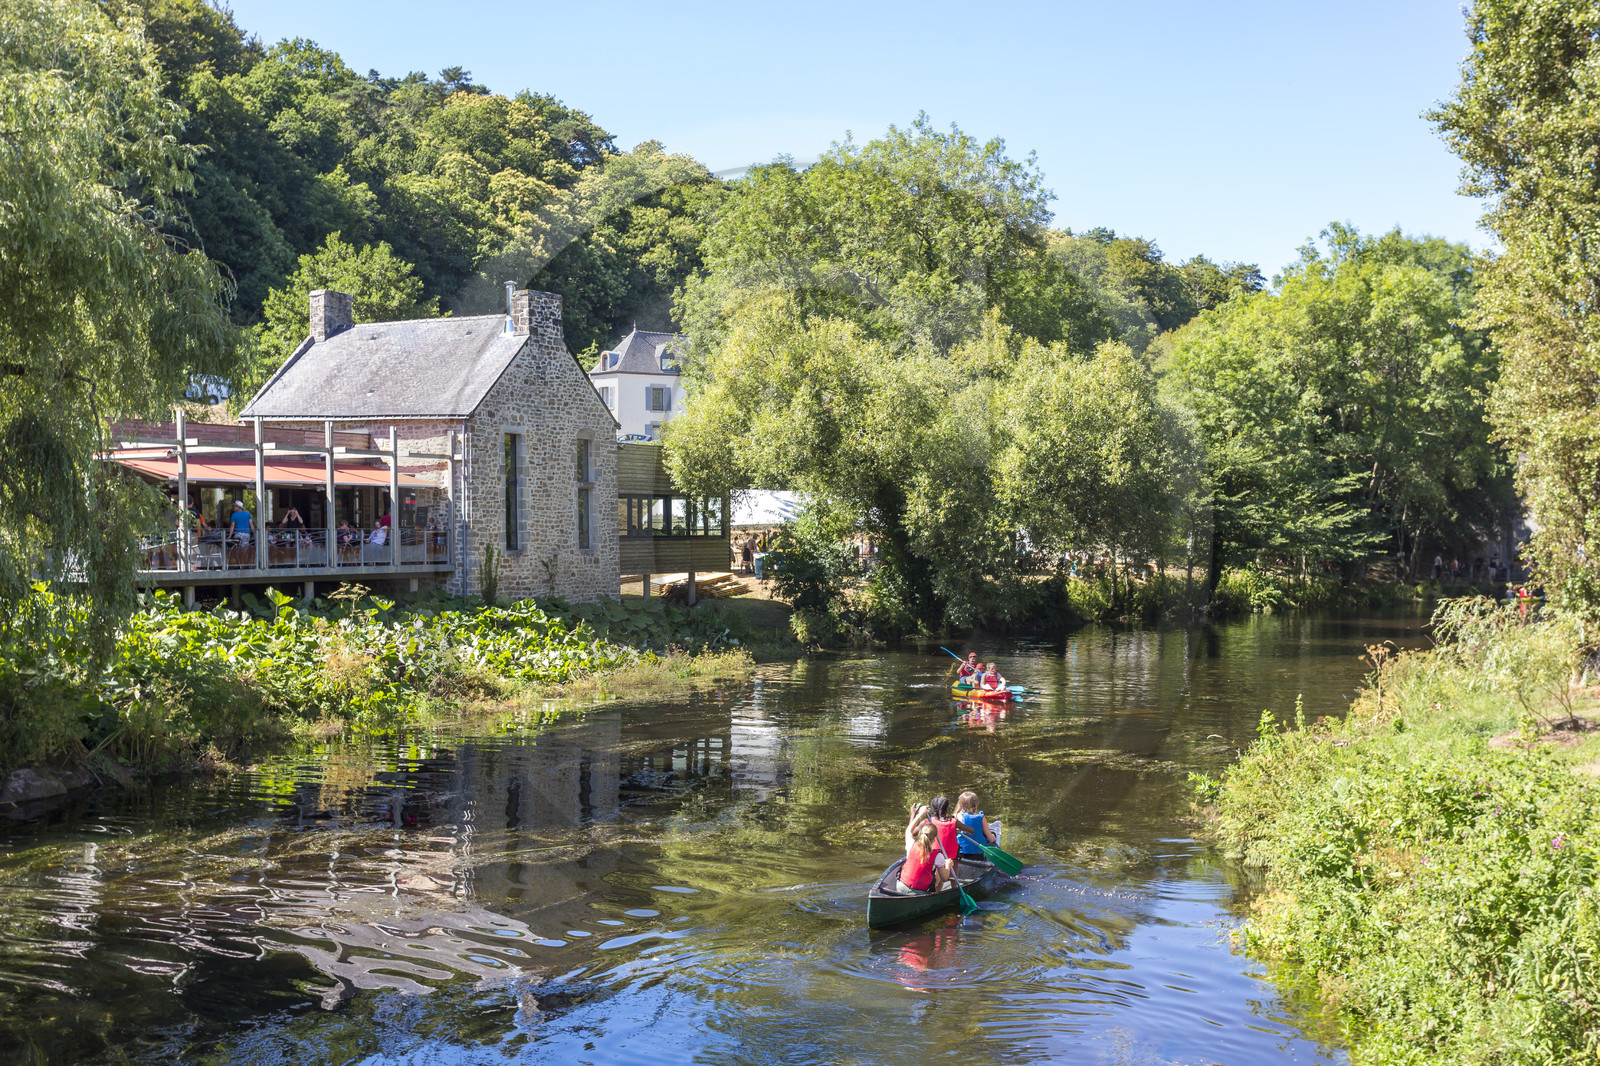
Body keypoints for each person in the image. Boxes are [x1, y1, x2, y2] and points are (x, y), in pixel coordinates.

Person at [898, 804, 955, 895]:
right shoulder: (938, 856)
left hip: (900, 886)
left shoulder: (911, 844)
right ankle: (935, 895)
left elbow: (909, 830)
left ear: (921, 833)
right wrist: (948, 866)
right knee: (940, 872)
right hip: (919, 892)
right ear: (935, 838)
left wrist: (920, 814)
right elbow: (944, 878)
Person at [954, 791, 1000, 860]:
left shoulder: (958, 816)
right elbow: (991, 839)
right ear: (975, 804)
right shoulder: (981, 817)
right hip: (978, 855)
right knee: (993, 834)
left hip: (961, 854)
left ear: (960, 804)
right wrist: (994, 836)